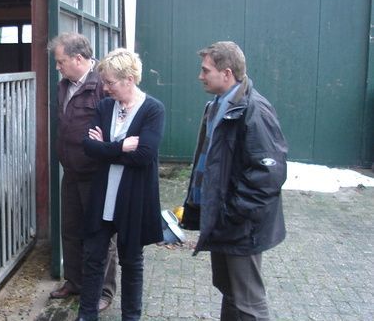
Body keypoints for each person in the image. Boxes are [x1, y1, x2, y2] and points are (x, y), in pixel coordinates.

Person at [181, 41, 288, 321]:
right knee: (230, 291)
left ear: (227, 73)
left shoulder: (255, 110)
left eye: (205, 70)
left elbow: (268, 175)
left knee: (249, 303)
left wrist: (233, 212)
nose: (200, 76)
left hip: (241, 226)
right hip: (224, 221)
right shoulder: (217, 105)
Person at [77, 48, 165, 321]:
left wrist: (107, 149)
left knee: (131, 261)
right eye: (104, 82)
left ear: (129, 79)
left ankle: (131, 316)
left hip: (132, 199)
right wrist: (119, 147)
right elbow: (88, 147)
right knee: (93, 257)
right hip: (104, 196)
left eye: (110, 82)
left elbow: (144, 155)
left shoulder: (153, 109)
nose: (105, 88)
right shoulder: (105, 107)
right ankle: (86, 314)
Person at [47, 33, 117, 312]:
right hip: (71, 171)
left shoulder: (103, 84)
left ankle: (104, 291)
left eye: (61, 61)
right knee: (71, 229)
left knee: (100, 233)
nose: (57, 67)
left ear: (78, 58)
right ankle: (74, 281)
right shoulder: (64, 85)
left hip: (95, 173)